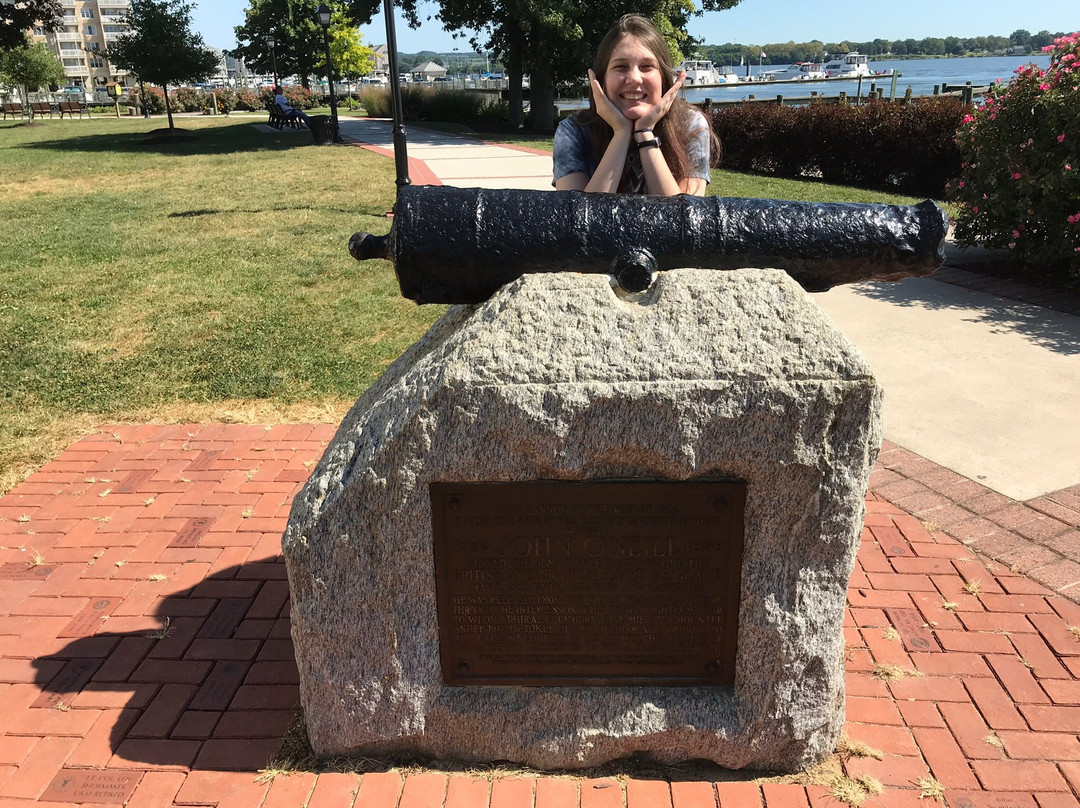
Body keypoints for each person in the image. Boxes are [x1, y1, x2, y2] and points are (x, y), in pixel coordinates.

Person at [553, 14, 719, 197]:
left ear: (663, 77)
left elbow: (683, 220)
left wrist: (645, 134)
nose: (634, 78)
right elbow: (577, 222)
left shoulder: (691, 126)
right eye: (621, 67)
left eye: (647, 66)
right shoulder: (573, 131)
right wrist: (621, 133)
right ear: (600, 80)